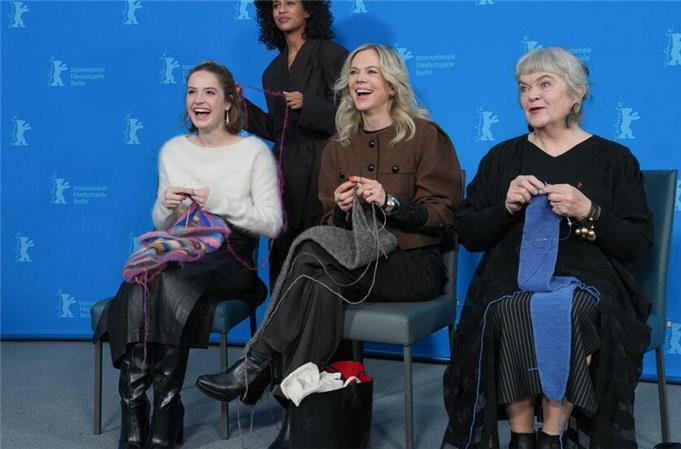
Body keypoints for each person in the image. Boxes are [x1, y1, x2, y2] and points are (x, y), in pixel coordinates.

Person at [196, 44, 462, 447]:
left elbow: (443, 217)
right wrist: (339, 211)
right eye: (354, 73)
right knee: (317, 280)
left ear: (391, 85)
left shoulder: (425, 136)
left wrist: (390, 202)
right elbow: (328, 226)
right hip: (351, 264)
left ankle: (257, 362)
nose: (359, 80)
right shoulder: (338, 146)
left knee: (309, 257)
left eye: (371, 72)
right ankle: (293, 421)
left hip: (410, 263)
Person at [441, 47, 653, 449]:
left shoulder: (614, 159)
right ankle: (521, 437)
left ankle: (551, 436)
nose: (531, 96)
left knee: (566, 308)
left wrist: (589, 211)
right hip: (510, 273)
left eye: (544, 85)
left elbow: (637, 243)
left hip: (590, 277)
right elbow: (468, 232)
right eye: (523, 88)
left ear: (577, 94)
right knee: (511, 306)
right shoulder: (503, 156)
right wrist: (506, 206)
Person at [95, 61, 282, 449]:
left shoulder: (253, 152)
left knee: (168, 281)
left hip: (234, 257)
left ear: (230, 101)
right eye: (192, 92)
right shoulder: (173, 150)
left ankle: (165, 410)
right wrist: (165, 206)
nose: (199, 100)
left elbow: (271, 223)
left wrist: (220, 201)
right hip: (188, 250)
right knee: (144, 278)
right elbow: (165, 226)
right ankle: (137, 408)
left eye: (209, 92)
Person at [245, 0, 348, 287]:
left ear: (309, 10)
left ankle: (324, 330)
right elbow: (277, 130)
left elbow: (355, 114)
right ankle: (281, 328)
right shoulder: (272, 70)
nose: (281, 10)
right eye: (276, 5)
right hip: (284, 175)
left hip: (323, 171)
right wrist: (240, 109)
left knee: (320, 257)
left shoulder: (331, 54)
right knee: (284, 260)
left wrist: (309, 104)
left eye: (290, 2)